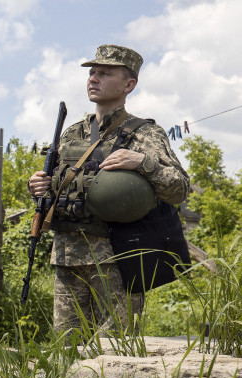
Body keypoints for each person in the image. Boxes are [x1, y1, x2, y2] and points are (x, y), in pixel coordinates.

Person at [28, 44, 189, 338]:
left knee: (116, 348)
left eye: (104, 73)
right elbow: (64, 189)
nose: (93, 78)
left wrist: (142, 162)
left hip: (116, 259)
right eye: (92, 73)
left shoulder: (144, 133)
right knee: (66, 348)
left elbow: (179, 189)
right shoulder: (72, 133)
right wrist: (40, 187)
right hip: (66, 256)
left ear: (129, 84)